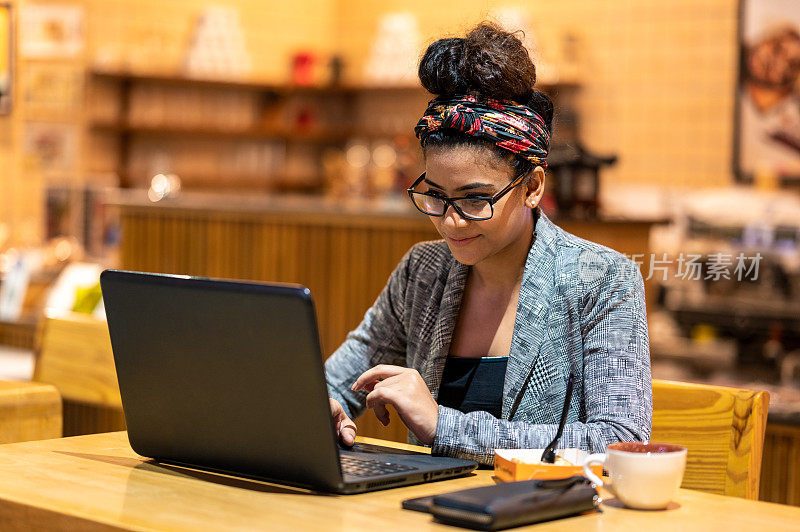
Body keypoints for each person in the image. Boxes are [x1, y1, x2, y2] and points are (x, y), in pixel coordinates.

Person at [325, 22, 652, 465]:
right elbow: (336, 380)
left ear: (533, 186)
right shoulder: (424, 273)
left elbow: (619, 442)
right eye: (436, 196)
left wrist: (444, 425)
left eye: (477, 198)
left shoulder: (600, 280)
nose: (452, 221)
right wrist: (318, 407)